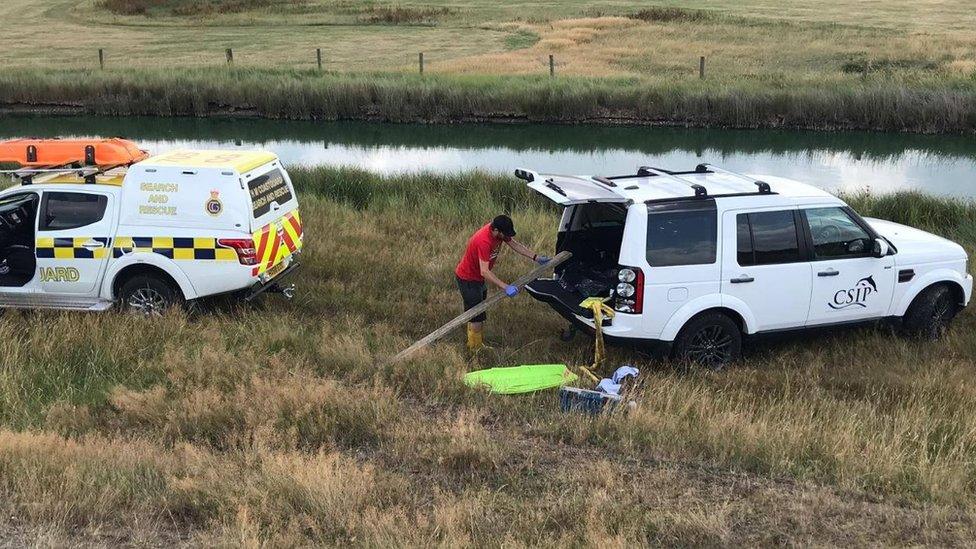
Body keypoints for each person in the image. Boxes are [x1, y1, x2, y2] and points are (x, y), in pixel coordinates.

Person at [455, 214, 550, 352]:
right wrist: (505, 287)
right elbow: (485, 272)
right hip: (468, 279)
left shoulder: (499, 232)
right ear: (496, 231)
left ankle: (476, 343)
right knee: (476, 315)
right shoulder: (484, 241)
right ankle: (474, 349)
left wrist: (536, 257)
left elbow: (515, 245)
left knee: (479, 311)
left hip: (478, 279)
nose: (506, 237)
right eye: (504, 234)